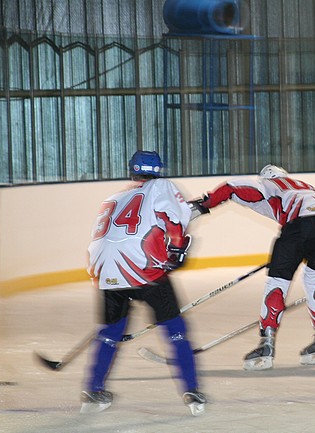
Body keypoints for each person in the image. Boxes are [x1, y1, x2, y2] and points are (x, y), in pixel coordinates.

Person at [82, 150, 209, 415]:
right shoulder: (161, 186)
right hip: (142, 269)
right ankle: (191, 390)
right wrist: (176, 251)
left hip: (106, 270)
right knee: (175, 329)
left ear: (131, 170)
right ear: (159, 170)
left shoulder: (114, 198)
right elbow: (174, 219)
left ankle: (93, 390)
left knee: (110, 332)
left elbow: (104, 235)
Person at [193, 164, 315, 371]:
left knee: (278, 282)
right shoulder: (305, 187)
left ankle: (266, 345)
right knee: (314, 278)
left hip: (299, 227)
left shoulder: (269, 183)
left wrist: (205, 204)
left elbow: (232, 187)